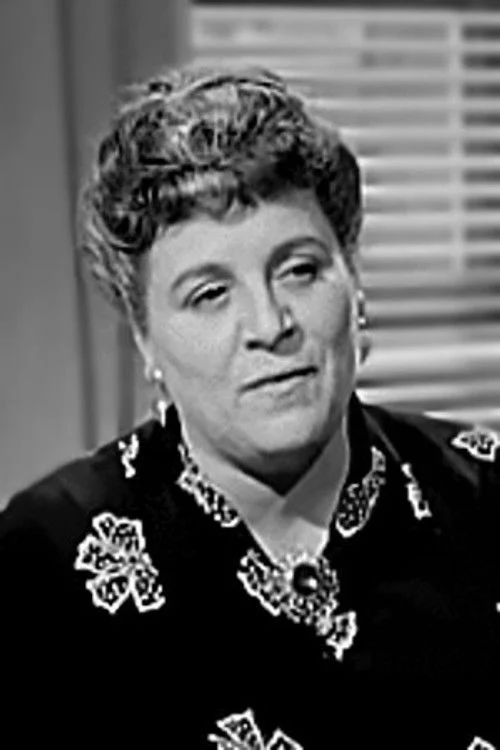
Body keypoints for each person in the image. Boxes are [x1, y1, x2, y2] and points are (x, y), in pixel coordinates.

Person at [1, 63, 499, 749]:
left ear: (354, 286)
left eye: (300, 270)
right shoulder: (44, 562)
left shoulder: (485, 499)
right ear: (145, 339)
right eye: (210, 294)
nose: (270, 324)